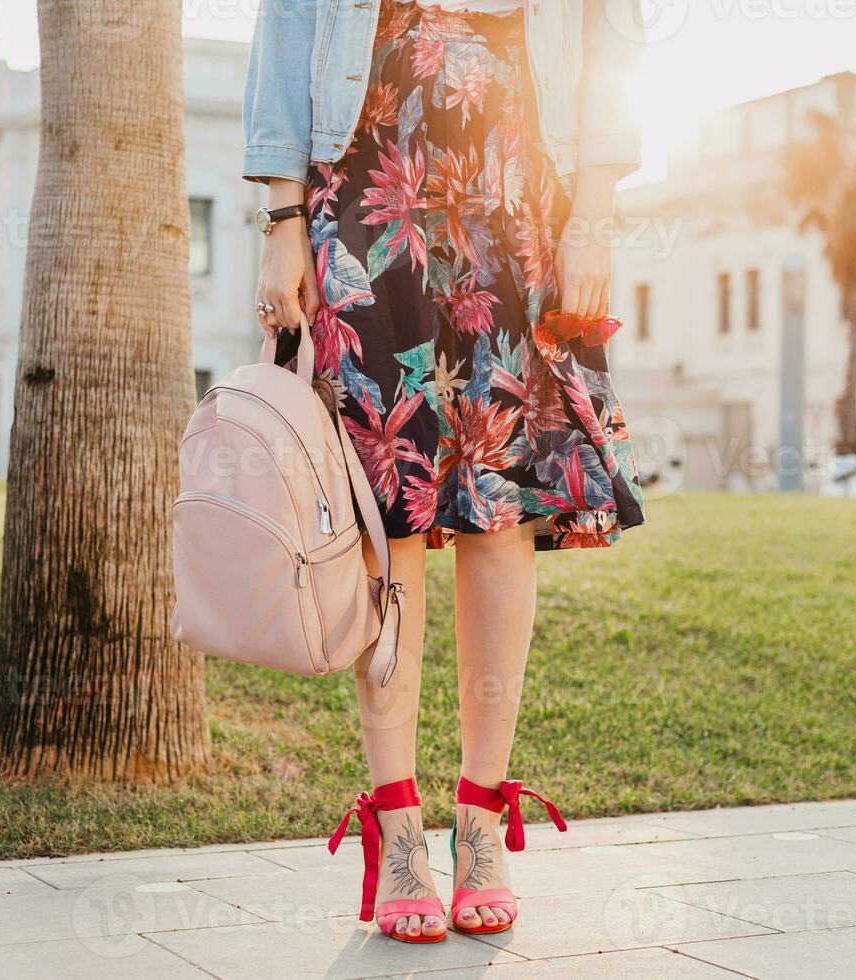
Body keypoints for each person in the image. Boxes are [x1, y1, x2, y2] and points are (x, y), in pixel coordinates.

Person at [244, 0, 646, 944]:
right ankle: (396, 832)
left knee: (498, 510)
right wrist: (280, 216)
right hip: (366, 173)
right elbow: (289, 22)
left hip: (519, 189)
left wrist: (596, 208)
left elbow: (608, 31)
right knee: (392, 511)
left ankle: (479, 821)